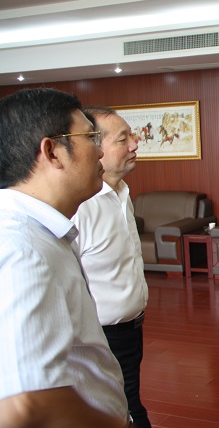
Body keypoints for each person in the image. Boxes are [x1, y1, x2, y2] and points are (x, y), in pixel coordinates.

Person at [0, 88, 131, 427]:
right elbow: (27, 403)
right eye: (90, 137)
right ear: (52, 152)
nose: (100, 151)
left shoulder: (41, 231)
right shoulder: (23, 247)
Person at [72, 106, 151, 428]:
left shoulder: (121, 193)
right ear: (95, 148)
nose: (134, 144)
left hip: (132, 328)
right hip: (101, 337)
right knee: (125, 411)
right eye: (123, 139)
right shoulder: (81, 206)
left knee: (128, 401)